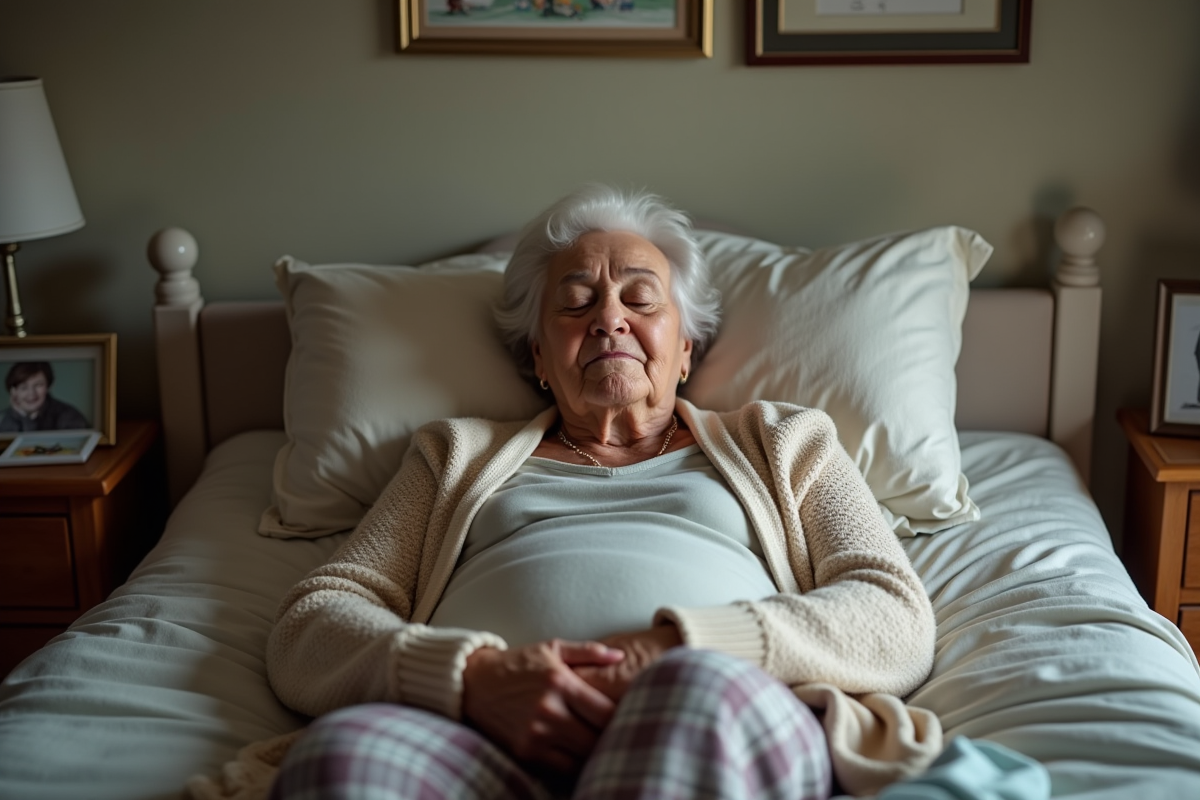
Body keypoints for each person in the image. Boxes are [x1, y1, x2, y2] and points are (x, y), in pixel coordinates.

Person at [263, 186, 937, 800]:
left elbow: (892, 615)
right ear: (538, 356)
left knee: (698, 695)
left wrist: (676, 649)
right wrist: (473, 677)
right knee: (340, 758)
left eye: (640, 300)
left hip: (712, 716)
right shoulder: (454, 454)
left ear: (685, 349)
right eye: (576, 302)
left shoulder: (784, 441)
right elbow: (313, 625)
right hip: (487, 749)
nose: (609, 319)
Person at [0, 362, 90, 433]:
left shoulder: (70, 417)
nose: (31, 393)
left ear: (48, 386)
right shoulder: (3, 417)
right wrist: (19, 414)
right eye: (23, 387)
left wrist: (27, 419)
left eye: (38, 385)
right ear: (13, 391)